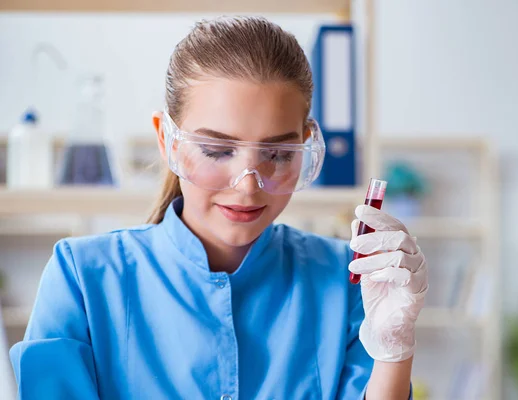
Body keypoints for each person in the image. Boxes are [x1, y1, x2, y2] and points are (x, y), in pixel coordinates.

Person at [9, 16, 428, 400]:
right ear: (167, 141)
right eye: (215, 149)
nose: (247, 186)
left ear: (305, 144)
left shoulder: (348, 280)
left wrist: (393, 352)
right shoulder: (82, 278)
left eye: (279, 154)